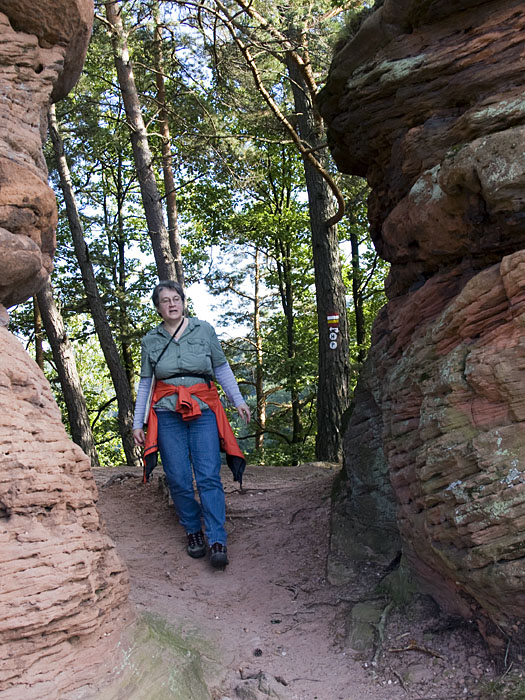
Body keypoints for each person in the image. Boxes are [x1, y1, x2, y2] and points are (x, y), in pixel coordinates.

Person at [133, 280, 251, 568]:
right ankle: (193, 530)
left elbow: (221, 367)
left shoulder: (204, 330)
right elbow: (146, 384)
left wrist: (238, 400)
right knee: (178, 477)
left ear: (184, 302)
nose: (172, 304)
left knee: (208, 475)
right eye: (165, 300)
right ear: (157, 307)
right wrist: (138, 422)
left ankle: (217, 538)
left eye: (176, 298)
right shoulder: (151, 340)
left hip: (203, 410)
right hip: (167, 412)